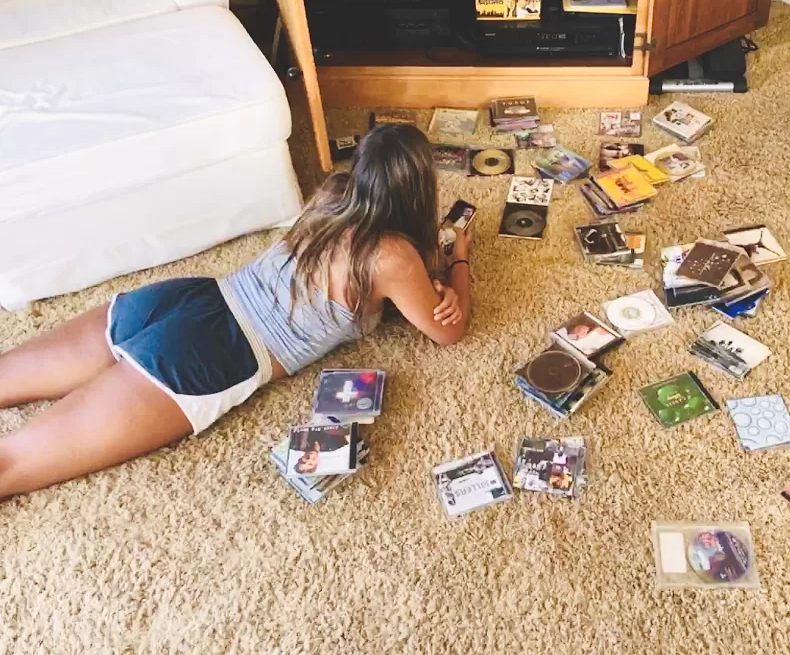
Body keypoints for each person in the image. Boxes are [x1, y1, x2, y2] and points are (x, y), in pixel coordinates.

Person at [0, 125, 473, 498]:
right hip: (211, 355)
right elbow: (448, 333)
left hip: (186, 298)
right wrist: (459, 261)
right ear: (417, 187)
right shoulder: (391, 256)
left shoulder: (333, 195)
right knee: (12, 466)